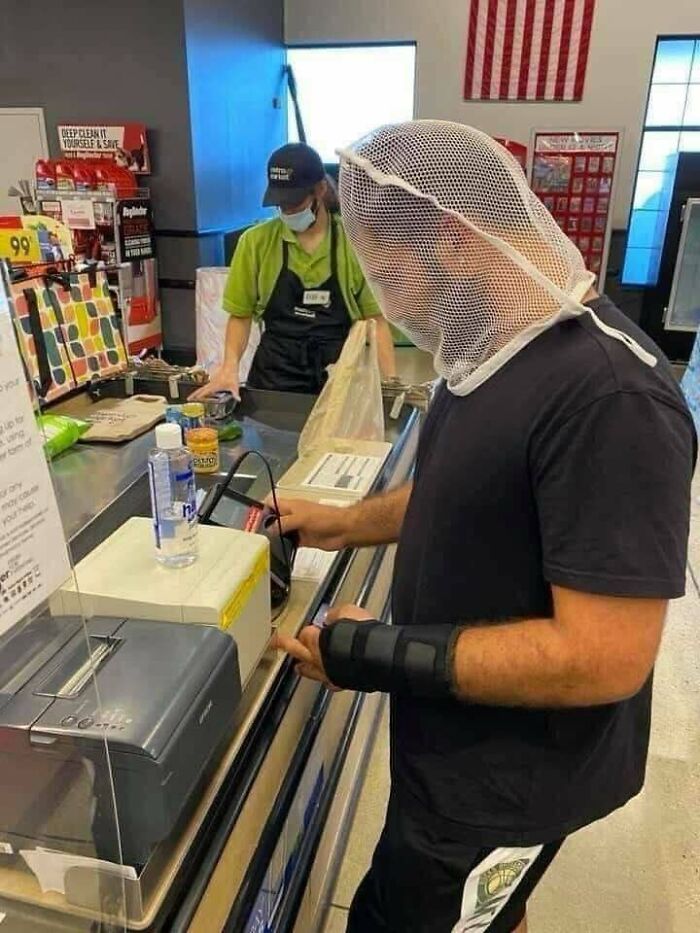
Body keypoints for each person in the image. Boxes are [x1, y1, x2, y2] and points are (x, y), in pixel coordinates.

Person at [274, 122, 696, 933]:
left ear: (454, 238)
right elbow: (462, 488)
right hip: (453, 747)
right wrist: (344, 524)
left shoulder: (610, 399)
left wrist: (368, 650)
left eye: (389, 270)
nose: (388, 299)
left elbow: (604, 656)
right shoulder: (497, 349)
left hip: (505, 782)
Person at [191, 142, 396, 400]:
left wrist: (390, 386)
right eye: (281, 204)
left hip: (340, 376)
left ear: (320, 190)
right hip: (274, 375)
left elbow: (376, 321)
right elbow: (240, 316)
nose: (287, 211)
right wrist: (229, 368)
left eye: (295, 203)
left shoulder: (353, 243)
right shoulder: (255, 243)